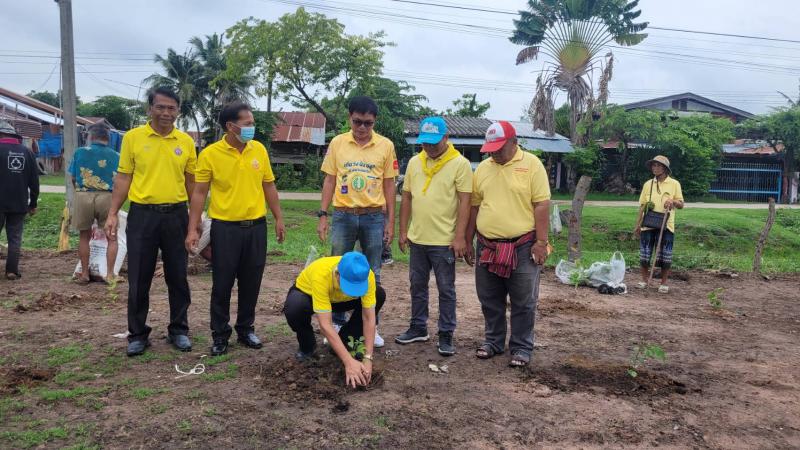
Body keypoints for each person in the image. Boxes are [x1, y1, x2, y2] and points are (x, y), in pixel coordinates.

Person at [186, 102, 286, 356]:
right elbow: (199, 193)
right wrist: (193, 228)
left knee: (251, 282)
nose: (253, 127)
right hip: (225, 229)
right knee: (222, 284)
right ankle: (220, 334)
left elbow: (269, 186)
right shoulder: (210, 154)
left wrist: (278, 217)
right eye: (248, 123)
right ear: (231, 126)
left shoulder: (258, 150)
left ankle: (245, 329)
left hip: (256, 228)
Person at [105, 87, 197, 357]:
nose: (166, 113)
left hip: (176, 216)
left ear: (178, 111)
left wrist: (195, 221)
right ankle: (137, 334)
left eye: (171, 108)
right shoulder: (133, 138)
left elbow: (192, 184)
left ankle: (178, 330)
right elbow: (124, 177)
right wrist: (112, 212)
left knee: (177, 276)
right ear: (150, 109)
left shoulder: (186, 142)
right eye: (160, 107)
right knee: (138, 277)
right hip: (143, 216)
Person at [466, 121, 551, 368]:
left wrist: (541, 242)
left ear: (514, 143)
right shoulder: (483, 169)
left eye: (499, 148)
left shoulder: (532, 165)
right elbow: (474, 207)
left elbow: (542, 205)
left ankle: (521, 346)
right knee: (489, 297)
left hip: (523, 246)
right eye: (490, 149)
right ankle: (493, 341)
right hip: (487, 245)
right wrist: (468, 239)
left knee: (523, 300)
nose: (494, 154)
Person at [317, 96, 398, 347]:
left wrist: (390, 221)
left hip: (374, 216)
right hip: (343, 215)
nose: (362, 128)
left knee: (372, 272)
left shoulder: (385, 146)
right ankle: (337, 322)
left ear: (375, 122)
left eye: (368, 123)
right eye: (357, 121)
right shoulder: (338, 143)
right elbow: (330, 180)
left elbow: (389, 184)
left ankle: (370, 325)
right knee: (338, 269)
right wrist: (323, 215)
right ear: (349, 118)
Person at [395, 117, 472, 356]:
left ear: (446, 138)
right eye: (425, 143)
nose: (429, 147)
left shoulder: (460, 164)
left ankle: (446, 333)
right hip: (418, 239)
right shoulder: (415, 162)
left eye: (434, 143)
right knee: (417, 285)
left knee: (446, 289)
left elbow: (465, 202)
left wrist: (460, 237)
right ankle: (418, 327)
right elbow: (407, 197)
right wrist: (403, 231)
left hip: (444, 241)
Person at [284, 252, 385, 388]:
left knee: (379, 294)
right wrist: (348, 362)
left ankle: (345, 340)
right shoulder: (321, 275)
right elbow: (325, 325)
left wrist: (368, 357)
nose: (353, 292)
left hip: (341, 300)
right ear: (337, 274)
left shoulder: (367, 276)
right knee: (295, 308)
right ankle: (307, 347)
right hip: (309, 295)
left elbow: (368, 318)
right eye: (350, 286)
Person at [69, 123, 120, 284]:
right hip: (108, 197)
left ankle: (84, 274)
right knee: (112, 237)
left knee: (84, 236)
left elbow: (73, 177)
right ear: (108, 138)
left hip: (84, 195)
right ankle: (110, 274)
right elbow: (120, 181)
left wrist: (80, 192)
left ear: (90, 137)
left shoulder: (80, 152)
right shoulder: (116, 155)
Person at [634, 155, 684, 294]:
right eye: (653, 165)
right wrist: (638, 224)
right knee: (645, 253)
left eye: (658, 165)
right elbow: (642, 206)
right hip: (648, 223)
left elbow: (681, 204)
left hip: (666, 224)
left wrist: (673, 201)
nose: (655, 168)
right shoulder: (647, 184)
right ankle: (644, 280)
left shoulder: (674, 184)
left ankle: (663, 283)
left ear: (665, 169)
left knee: (665, 255)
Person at [0, 120, 39, 280]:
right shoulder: (28, 153)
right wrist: (33, 203)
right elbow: (34, 182)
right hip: (19, 203)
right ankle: (11, 271)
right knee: (15, 238)